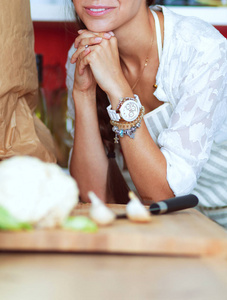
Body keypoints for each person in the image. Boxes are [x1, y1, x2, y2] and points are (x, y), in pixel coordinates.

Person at [65, 1, 227, 227]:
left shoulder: (201, 48)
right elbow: (95, 199)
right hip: (159, 224)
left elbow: (162, 195)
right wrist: (83, 95)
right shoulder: (83, 54)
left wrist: (118, 90)